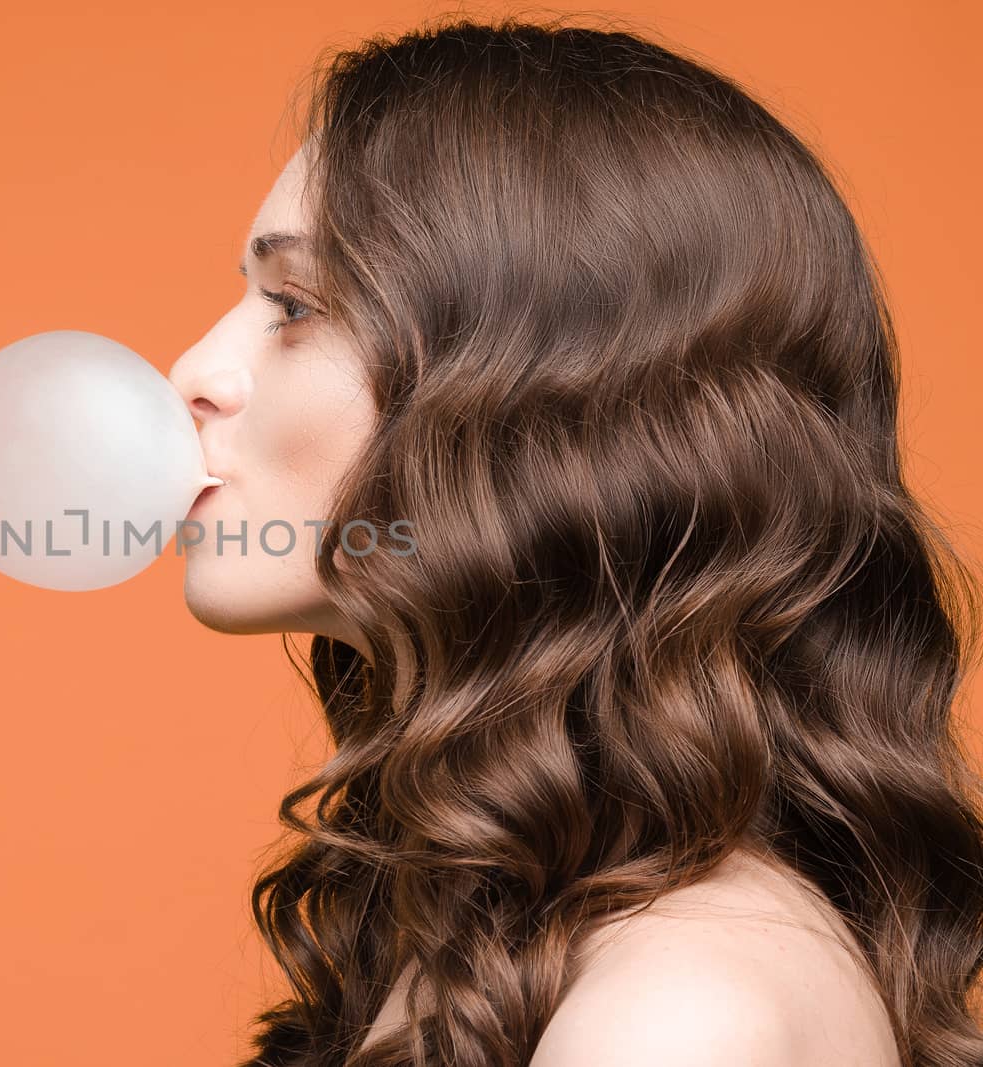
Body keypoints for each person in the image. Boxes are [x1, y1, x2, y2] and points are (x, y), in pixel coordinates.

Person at [166, 16, 983, 1067]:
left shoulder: (676, 1012)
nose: (193, 367)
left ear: (546, 415)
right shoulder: (490, 922)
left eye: (290, 303)